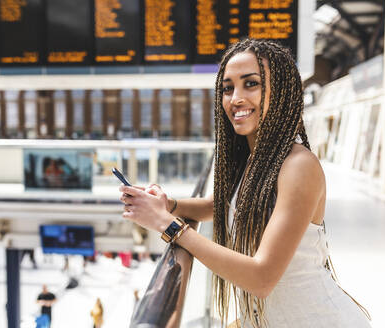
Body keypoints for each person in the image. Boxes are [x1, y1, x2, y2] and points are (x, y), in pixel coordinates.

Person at [118, 39, 371, 328]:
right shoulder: (258, 157)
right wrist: (170, 205)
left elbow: (262, 278)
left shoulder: (298, 166)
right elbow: (227, 204)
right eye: (227, 88)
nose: (235, 98)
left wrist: (170, 226)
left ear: (281, 91)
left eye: (251, 84)